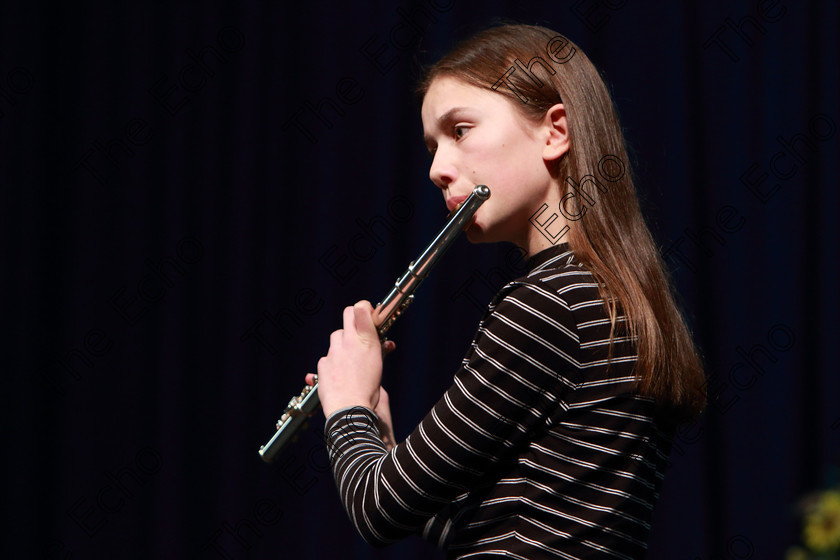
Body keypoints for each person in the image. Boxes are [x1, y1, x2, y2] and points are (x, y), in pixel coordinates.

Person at [304, 23, 707, 559]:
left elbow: (379, 510)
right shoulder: (604, 294)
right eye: (431, 146)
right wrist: (381, 442)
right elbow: (498, 526)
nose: (436, 169)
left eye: (461, 130)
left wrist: (346, 407)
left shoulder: (551, 302)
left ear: (554, 131)